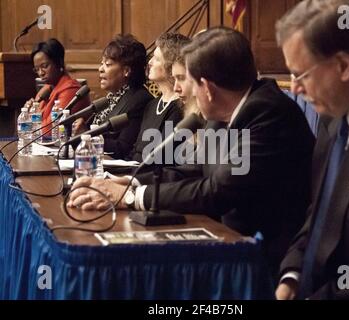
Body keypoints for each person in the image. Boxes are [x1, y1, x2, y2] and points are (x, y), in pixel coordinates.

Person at [67, 27, 315, 275]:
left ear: (207, 88)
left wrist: (132, 198)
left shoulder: (268, 113)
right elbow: (192, 171)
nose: (182, 91)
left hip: (267, 261)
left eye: (187, 81)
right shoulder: (223, 112)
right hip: (229, 245)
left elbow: (218, 190)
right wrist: (130, 183)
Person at [274, 0, 349, 299]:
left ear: (343, 66)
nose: (294, 88)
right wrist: (292, 275)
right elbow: (321, 214)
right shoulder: (332, 119)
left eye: (300, 74)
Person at [72, 34, 153, 159]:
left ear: (126, 71)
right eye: (102, 64)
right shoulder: (110, 98)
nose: (100, 69)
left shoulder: (139, 100)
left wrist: (87, 134)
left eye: (108, 64)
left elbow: (123, 148)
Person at [123, 32, 189, 162]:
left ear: (171, 66)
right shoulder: (152, 105)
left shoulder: (180, 108)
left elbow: (164, 159)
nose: (150, 62)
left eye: (157, 59)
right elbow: (136, 152)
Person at [30, 38, 91, 136]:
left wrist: (32, 115)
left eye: (45, 66)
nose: (40, 73)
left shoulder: (71, 90)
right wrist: (29, 110)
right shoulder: (47, 87)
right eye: (37, 69)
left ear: (59, 62)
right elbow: (30, 125)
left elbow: (48, 130)